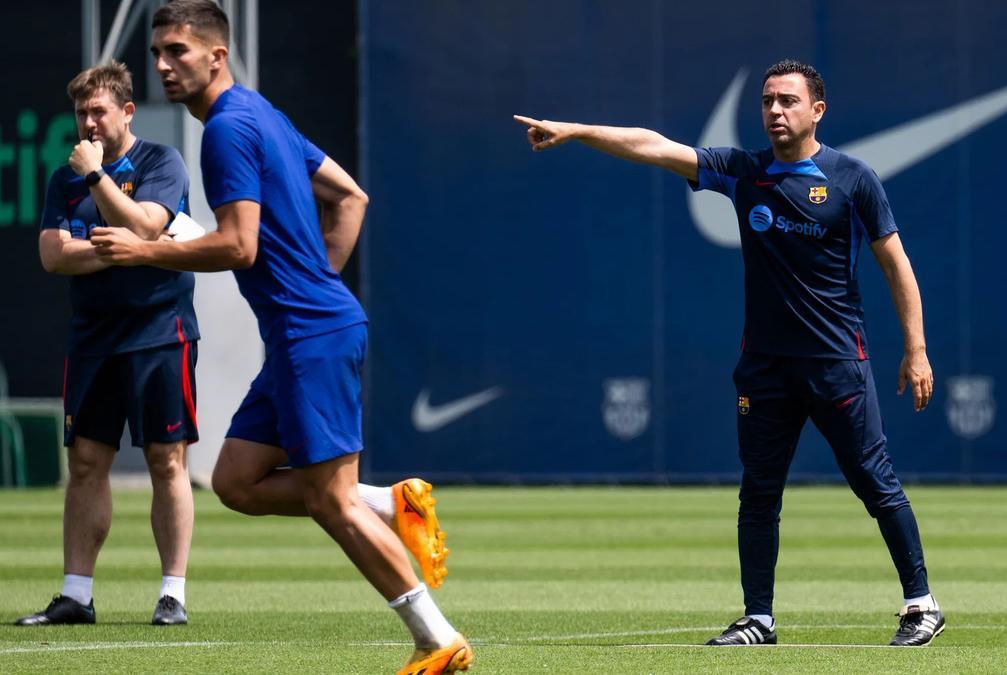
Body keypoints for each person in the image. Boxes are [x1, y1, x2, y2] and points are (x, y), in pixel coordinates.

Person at [89, 2, 470, 672]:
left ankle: (436, 636)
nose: (162, 65)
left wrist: (143, 251)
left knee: (330, 499)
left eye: (177, 50)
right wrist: (316, 283)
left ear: (217, 55)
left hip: (308, 331)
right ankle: (392, 500)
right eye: (156, 53)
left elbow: (239, 246)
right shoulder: (262, 113)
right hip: (305, 325)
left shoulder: (229, 130)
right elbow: (351, 197)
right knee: (235, 480)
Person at [515, 59, 944, 647]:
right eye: (767, 100)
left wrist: (915, 350)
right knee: (759, 493)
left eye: (788, 101)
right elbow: (655, 146)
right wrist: (577, 130)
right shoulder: (745, 172)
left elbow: (896, 264)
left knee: (875, 482)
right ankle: (758, 619)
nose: (774, 110)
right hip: (765, 368)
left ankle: (921, 604)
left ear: (817, 111)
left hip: (836, 362)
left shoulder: (852, 178)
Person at [18, 61, 196, 627]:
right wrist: (120, 246)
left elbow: (146, 226)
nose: (88, 122)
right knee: (87, 462)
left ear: (126, 112)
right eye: (80, 112)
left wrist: (100, 186)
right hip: (94, 339)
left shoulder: (160, 162)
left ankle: (172, 594)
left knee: (166, 461)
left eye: (98, 111)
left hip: (158, 333)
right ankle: (76, 595)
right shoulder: (62, 177)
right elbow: (52, 256)